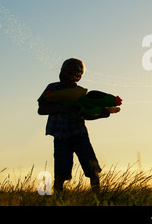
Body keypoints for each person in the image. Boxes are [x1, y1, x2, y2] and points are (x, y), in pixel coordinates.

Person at [37, 58, 116, 194]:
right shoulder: (52, 88)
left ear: (78, 78)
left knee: (92, 169)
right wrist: (62, 108)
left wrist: (102, 113)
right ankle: (58, 199)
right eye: (63, 71)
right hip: (60, 137)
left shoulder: (81, 93)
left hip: (79, 134)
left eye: (69, 73)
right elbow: (41, 109)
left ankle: (97, 197)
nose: (64, 75)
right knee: (61, 172)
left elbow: (86, 114)